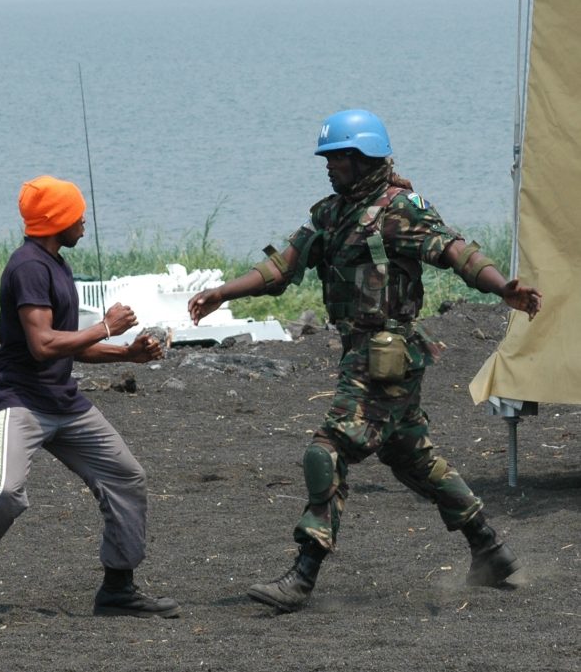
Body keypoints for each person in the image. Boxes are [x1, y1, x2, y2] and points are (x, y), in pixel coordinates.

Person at [188, 110, 542, 613]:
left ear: (364, 158)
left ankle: (303, 575)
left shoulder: (401, 209)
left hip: (387, 353)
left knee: (327, 449)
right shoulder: (331, 214)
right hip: (362, 352)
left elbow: (456, 252)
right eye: (328, 158)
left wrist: (503, 287)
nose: (329, 166)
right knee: (411, 456)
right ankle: (492, 551)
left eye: (338, 158)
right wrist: (223, 292)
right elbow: (281, 267)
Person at [0, 175, 179, 620]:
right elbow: (43, 344)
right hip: (18, 399)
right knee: (5, 491)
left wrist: (128, 354)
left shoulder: (56, 264)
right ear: (56, 220)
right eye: (77, 215)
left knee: (126, 477)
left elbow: (70, 344)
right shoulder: (28, 267)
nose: (84, 222)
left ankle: (118, 589)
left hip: (63, 401)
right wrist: (107, 327)